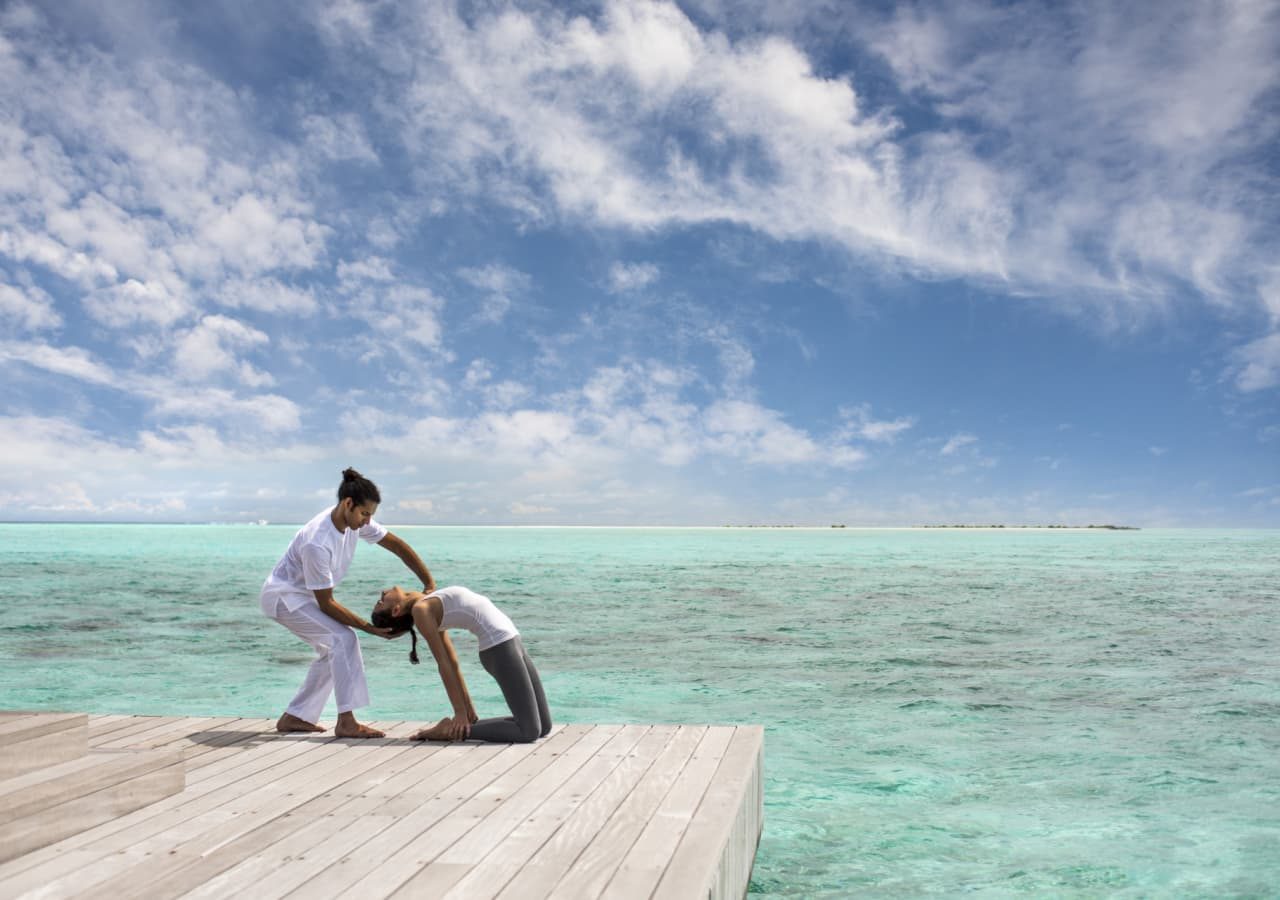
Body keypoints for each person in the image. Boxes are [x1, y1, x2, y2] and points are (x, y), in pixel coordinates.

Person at [260, 468, 435, 738]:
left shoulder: (354, 523)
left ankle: (296, 716)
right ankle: (346, 722)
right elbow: (327, 603)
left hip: (303, 596)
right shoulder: (317, 542)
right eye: (364, 514)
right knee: (343, 639)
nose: (367, 522)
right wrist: (370, 628)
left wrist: (428, 583)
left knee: (334, 648)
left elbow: (397, 545)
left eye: (371, 516)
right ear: (348, 504)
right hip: (284, 597)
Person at [371, 584, 551, 743]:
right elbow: (444, 663)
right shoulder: (421, 610)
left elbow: (453, 661)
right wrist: (459, 712)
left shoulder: (427, 598)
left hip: (513, 642)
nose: (382, 593)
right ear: (395, 610)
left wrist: (468, 709)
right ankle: (450, 732)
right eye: (381, 601)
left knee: (544, 726)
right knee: (528, 732)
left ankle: (464, 726)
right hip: (499, 649)